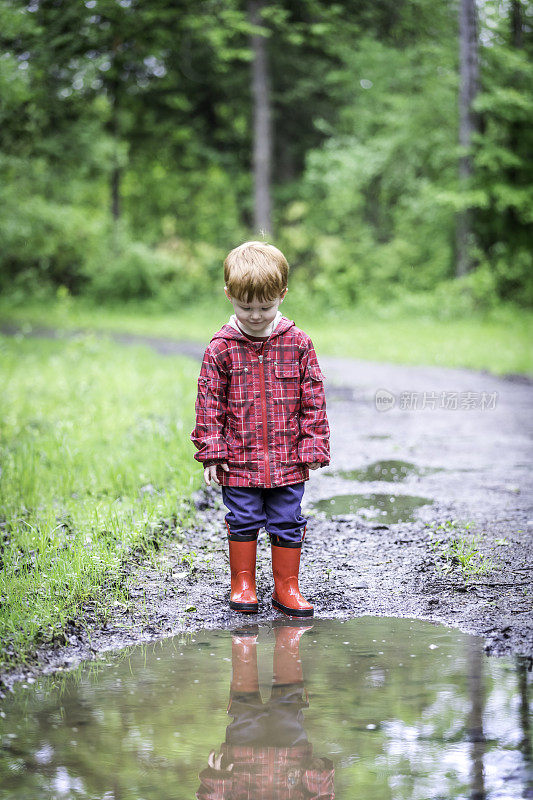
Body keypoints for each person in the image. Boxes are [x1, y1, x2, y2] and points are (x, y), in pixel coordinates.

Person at [190, 241, 330, 617]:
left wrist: (313, 445)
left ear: (282, 296)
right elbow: (209, 403)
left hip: (287, 459)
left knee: (288, 519)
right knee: (244, 519)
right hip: (239, 460)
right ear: (229, 296)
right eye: (245, 306)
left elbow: (313, 397)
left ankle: (287, 587)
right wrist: (212, 454)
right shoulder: (221, 348)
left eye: (265, 307)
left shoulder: (298, 343)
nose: (255, 316)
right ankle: (243, 584)